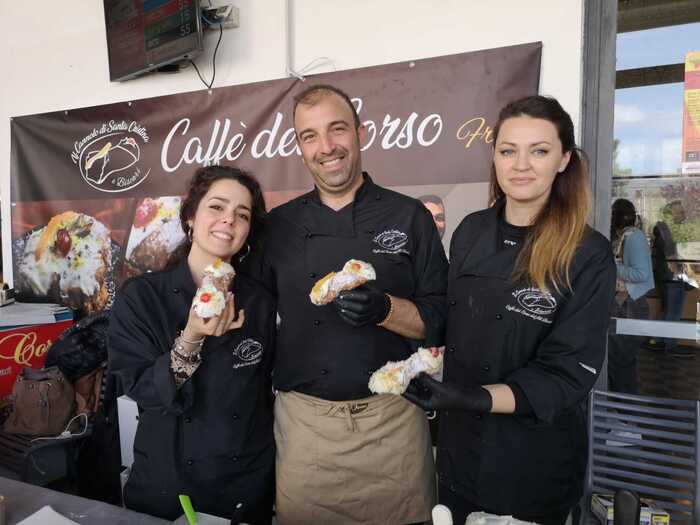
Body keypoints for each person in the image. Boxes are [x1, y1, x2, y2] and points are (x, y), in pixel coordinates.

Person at [403, 95, 616, 525]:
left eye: (539, 150)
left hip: (533, 469)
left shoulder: (587, 254)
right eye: (507, 150)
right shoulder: (471, 231)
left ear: (563, 160)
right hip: (460, 459)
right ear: (495, 158)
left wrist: (471, 397)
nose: (520, 165)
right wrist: (390, 317)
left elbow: (565, 375)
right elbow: (448, 318)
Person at [259, 84, 448, 524]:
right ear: (300, 146)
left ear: (360, 133)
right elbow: (253, 321)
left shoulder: (409, 217)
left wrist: (385, 309)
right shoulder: (277, 228)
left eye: (337, 129)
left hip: (394, 427)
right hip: (306, 431)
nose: (326, 147)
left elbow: (440, 319)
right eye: (310, 136)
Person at [109, 166, 275, 523]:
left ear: (247, 231)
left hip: (244, 484)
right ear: (190, 218)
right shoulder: (141, 297)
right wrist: (192, 336)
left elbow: (266, 393)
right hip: (170, 483)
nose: (229, 220)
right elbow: (142, 391)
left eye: (242, 215)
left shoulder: (260, 301)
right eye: (217, 207)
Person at [608, 198, 654, 393]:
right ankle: (622, 413)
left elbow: (642, 273)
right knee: (620, 362)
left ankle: (625, 415)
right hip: (626, 305)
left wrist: (612, 267)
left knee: (621, 363)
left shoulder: (633, 237)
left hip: (630, 306)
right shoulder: (627, 236)